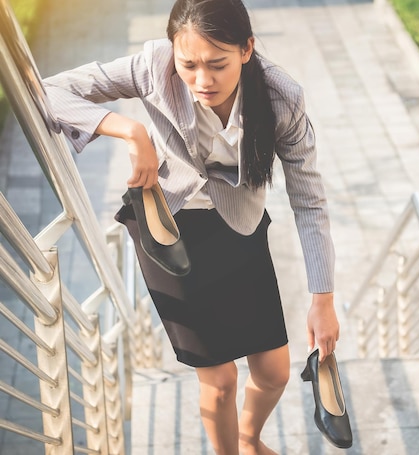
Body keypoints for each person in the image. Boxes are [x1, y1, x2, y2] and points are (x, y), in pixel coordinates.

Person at [43, 0, 340, 453]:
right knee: (220, 379)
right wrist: (129, 130)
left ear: (247, 49)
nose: (203, 80)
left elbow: (309, 200)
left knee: (275, 372)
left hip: (239, 227)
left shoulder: (283, 97)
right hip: (168, 227)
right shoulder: (153, 67)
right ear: (173, 54)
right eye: (190, 65)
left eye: (218, 64)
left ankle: (248, 439)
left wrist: (324, 300)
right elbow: (49, 91)